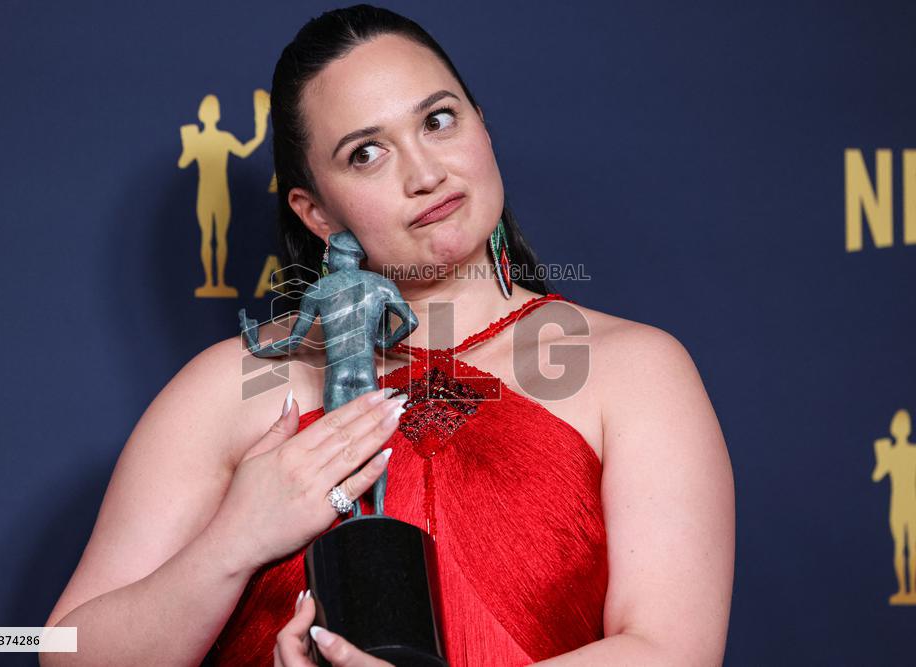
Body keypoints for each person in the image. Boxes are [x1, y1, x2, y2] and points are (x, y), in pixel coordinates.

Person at [43, 5, 735, 666]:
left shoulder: (635, 371)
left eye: (438, 120)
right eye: (367, 153)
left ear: (483, 129)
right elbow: (67, 652)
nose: (425, 173)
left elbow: (671, 649)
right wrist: (234, 539)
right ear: (316, 212)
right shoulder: (237, 383)